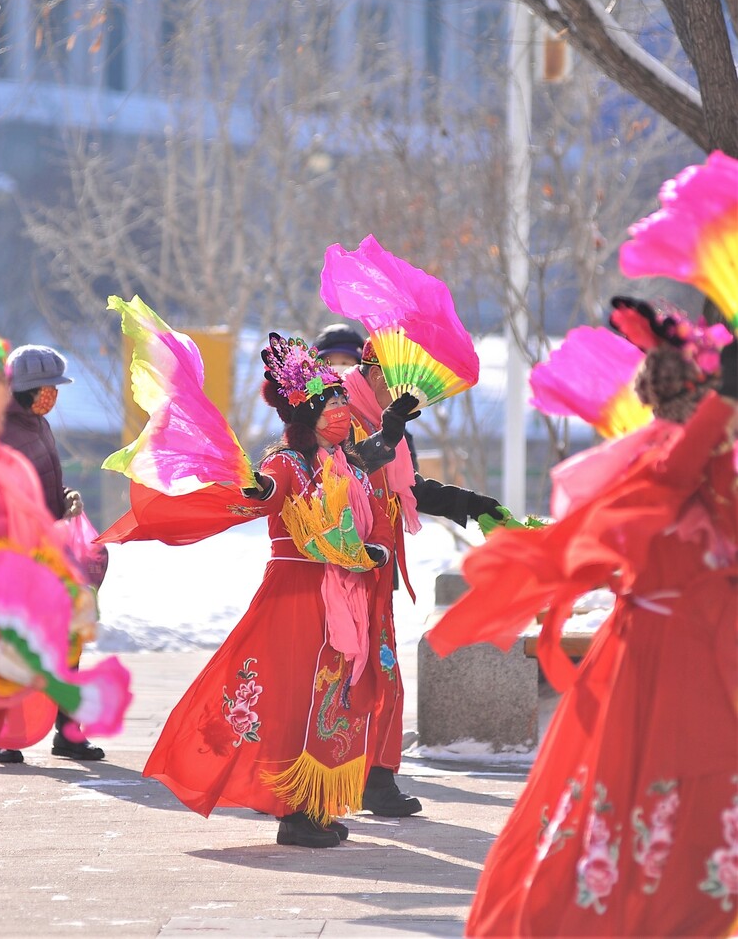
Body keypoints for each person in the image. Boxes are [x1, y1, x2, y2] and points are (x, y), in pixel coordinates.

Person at [427, 301, 738, 937]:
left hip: (707, 654)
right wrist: (724, 403)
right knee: (643, 800)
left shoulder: (718, 472)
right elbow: (678, 473)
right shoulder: (654, 466)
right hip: (656, 662)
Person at [101, 333, 396, 848]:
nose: (340, 414)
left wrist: (377, 552)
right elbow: (266, 494)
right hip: (296, 596)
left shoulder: (348, 465)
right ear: (303, 417)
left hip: (344, 594)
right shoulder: (288, 463)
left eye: (342, 403)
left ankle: (319, 805)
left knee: (334, 695)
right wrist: (256, 488)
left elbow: (372, 520)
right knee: (291, 698)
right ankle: (293, 811)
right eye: (327, 406)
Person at [338, 338, 503, 817]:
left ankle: (378, 779)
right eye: (390, 380)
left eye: (401, 384)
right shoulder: (337, 412)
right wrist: (386, 436)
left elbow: (407, 487)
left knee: (383, 675)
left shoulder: (387, 420)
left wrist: (467, 504)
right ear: (368, 372)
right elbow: (341, 472)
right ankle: (301, 782)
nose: (396, 392)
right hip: (338, 569)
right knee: (333, 678)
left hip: (379, 567)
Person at [0, 344, 105, 763]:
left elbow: (44, 483)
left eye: (54, 388)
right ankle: (4, 733)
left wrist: (66, 499)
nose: (51, 395)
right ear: (21, 391)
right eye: (44, 388)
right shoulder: (1, 430)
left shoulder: (39, 425)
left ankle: (69, 732)